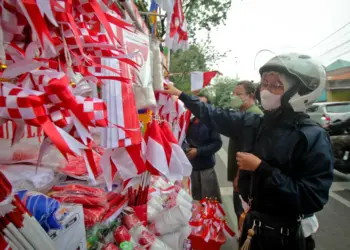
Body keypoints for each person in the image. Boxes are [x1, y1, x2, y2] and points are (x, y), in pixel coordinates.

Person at [163, 53, 333, 250]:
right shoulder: (256, 123)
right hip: (253, 226)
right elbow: (215, 115)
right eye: (264, 84)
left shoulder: (312, 137)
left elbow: (311, 197)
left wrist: (261, 168)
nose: (266, 90)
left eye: (276, 85)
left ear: (300, 91)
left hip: (286, 237)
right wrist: (182, 95)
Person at [228, 81, 263, 224]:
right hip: (240, 174)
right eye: (234, 93)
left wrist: (238, 176)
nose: (234, 97)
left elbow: (249, 151)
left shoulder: (254, 115)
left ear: (251, 96)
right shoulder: (241, 114)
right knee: (240, 211)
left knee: (243, 213)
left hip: (245, 177)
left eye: (239, 94)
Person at [183, 93, 223, 203]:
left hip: (206, 169)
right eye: (196, 103)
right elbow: (184, 140)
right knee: (196, 200)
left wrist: (198, 151)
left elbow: (217, 144)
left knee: (209, 202)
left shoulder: (212, 123)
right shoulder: (189, 122)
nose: (198, 107)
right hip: (193, 168)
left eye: (202, 104)